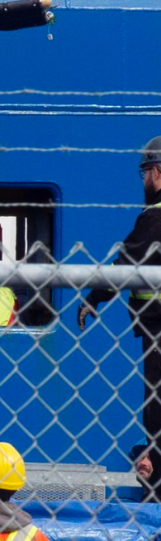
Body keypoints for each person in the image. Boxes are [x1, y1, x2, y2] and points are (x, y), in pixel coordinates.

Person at [78, 136, 161, 502]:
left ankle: (155, 488)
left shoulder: (154, 218)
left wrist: (95, 298)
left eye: (144, 172)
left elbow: (127, 263)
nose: (143, 181)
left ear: (157, 173)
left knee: (156, 414)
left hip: (158, 328)